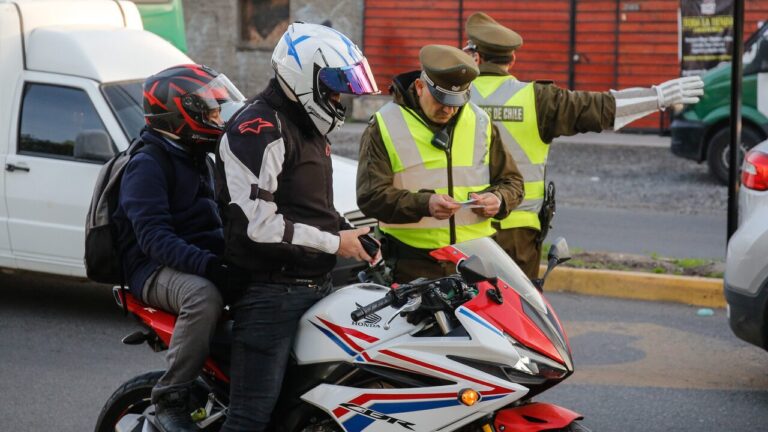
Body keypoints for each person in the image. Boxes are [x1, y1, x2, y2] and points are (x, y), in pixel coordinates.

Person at [215, 23, 381, 431]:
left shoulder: (307, 127)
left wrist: (354, 236)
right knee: (252, 417)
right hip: (270, 295)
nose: (338, 98)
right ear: (301, 75)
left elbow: (314, 209)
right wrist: (333, 243)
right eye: (332, 86)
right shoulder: (257, 131)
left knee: (317, 404)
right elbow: (258, 225)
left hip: (314, 285)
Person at [464, 12, 705, 280]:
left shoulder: (451, 97)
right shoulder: (539, 99)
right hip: (518, 233)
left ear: (475, 56)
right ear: (512, 59)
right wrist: (656, 97)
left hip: (462, 229)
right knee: (515, 313)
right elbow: (603, 108)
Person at [113, 64, 246, 432]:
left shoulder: (196, 156)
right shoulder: (147, 164)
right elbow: (155, 239)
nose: (219, 118)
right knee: (203, 297)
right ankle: (170, 396)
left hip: (194, 256)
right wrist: (210, 267)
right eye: (212, 111)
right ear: (179, 114)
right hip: (151, 268)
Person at [356, 44, 525, 283]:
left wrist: (499, 199)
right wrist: (425, 204)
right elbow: (370, 197)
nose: (448, 109)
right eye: (441, 99)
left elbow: (513, 182)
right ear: (420, 86)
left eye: (456, 101)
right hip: (413, 265)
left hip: (477, 260)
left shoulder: (479, 120)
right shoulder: (384, 124)